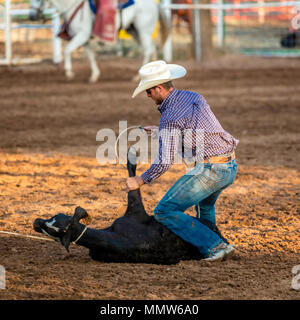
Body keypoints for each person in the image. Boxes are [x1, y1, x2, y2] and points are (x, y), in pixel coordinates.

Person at [126, 60, 239, 261]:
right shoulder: (193, 96)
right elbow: (194, 128)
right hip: (228, 166)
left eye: (149, 91)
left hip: (210, 169)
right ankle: (214, 243)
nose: (148, 96)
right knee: (204, 206)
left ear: (159, 88)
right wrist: (162, 130)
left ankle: (215, 246)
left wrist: (139, 180)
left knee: (165, 211)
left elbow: (165, 161)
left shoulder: (170, 117)